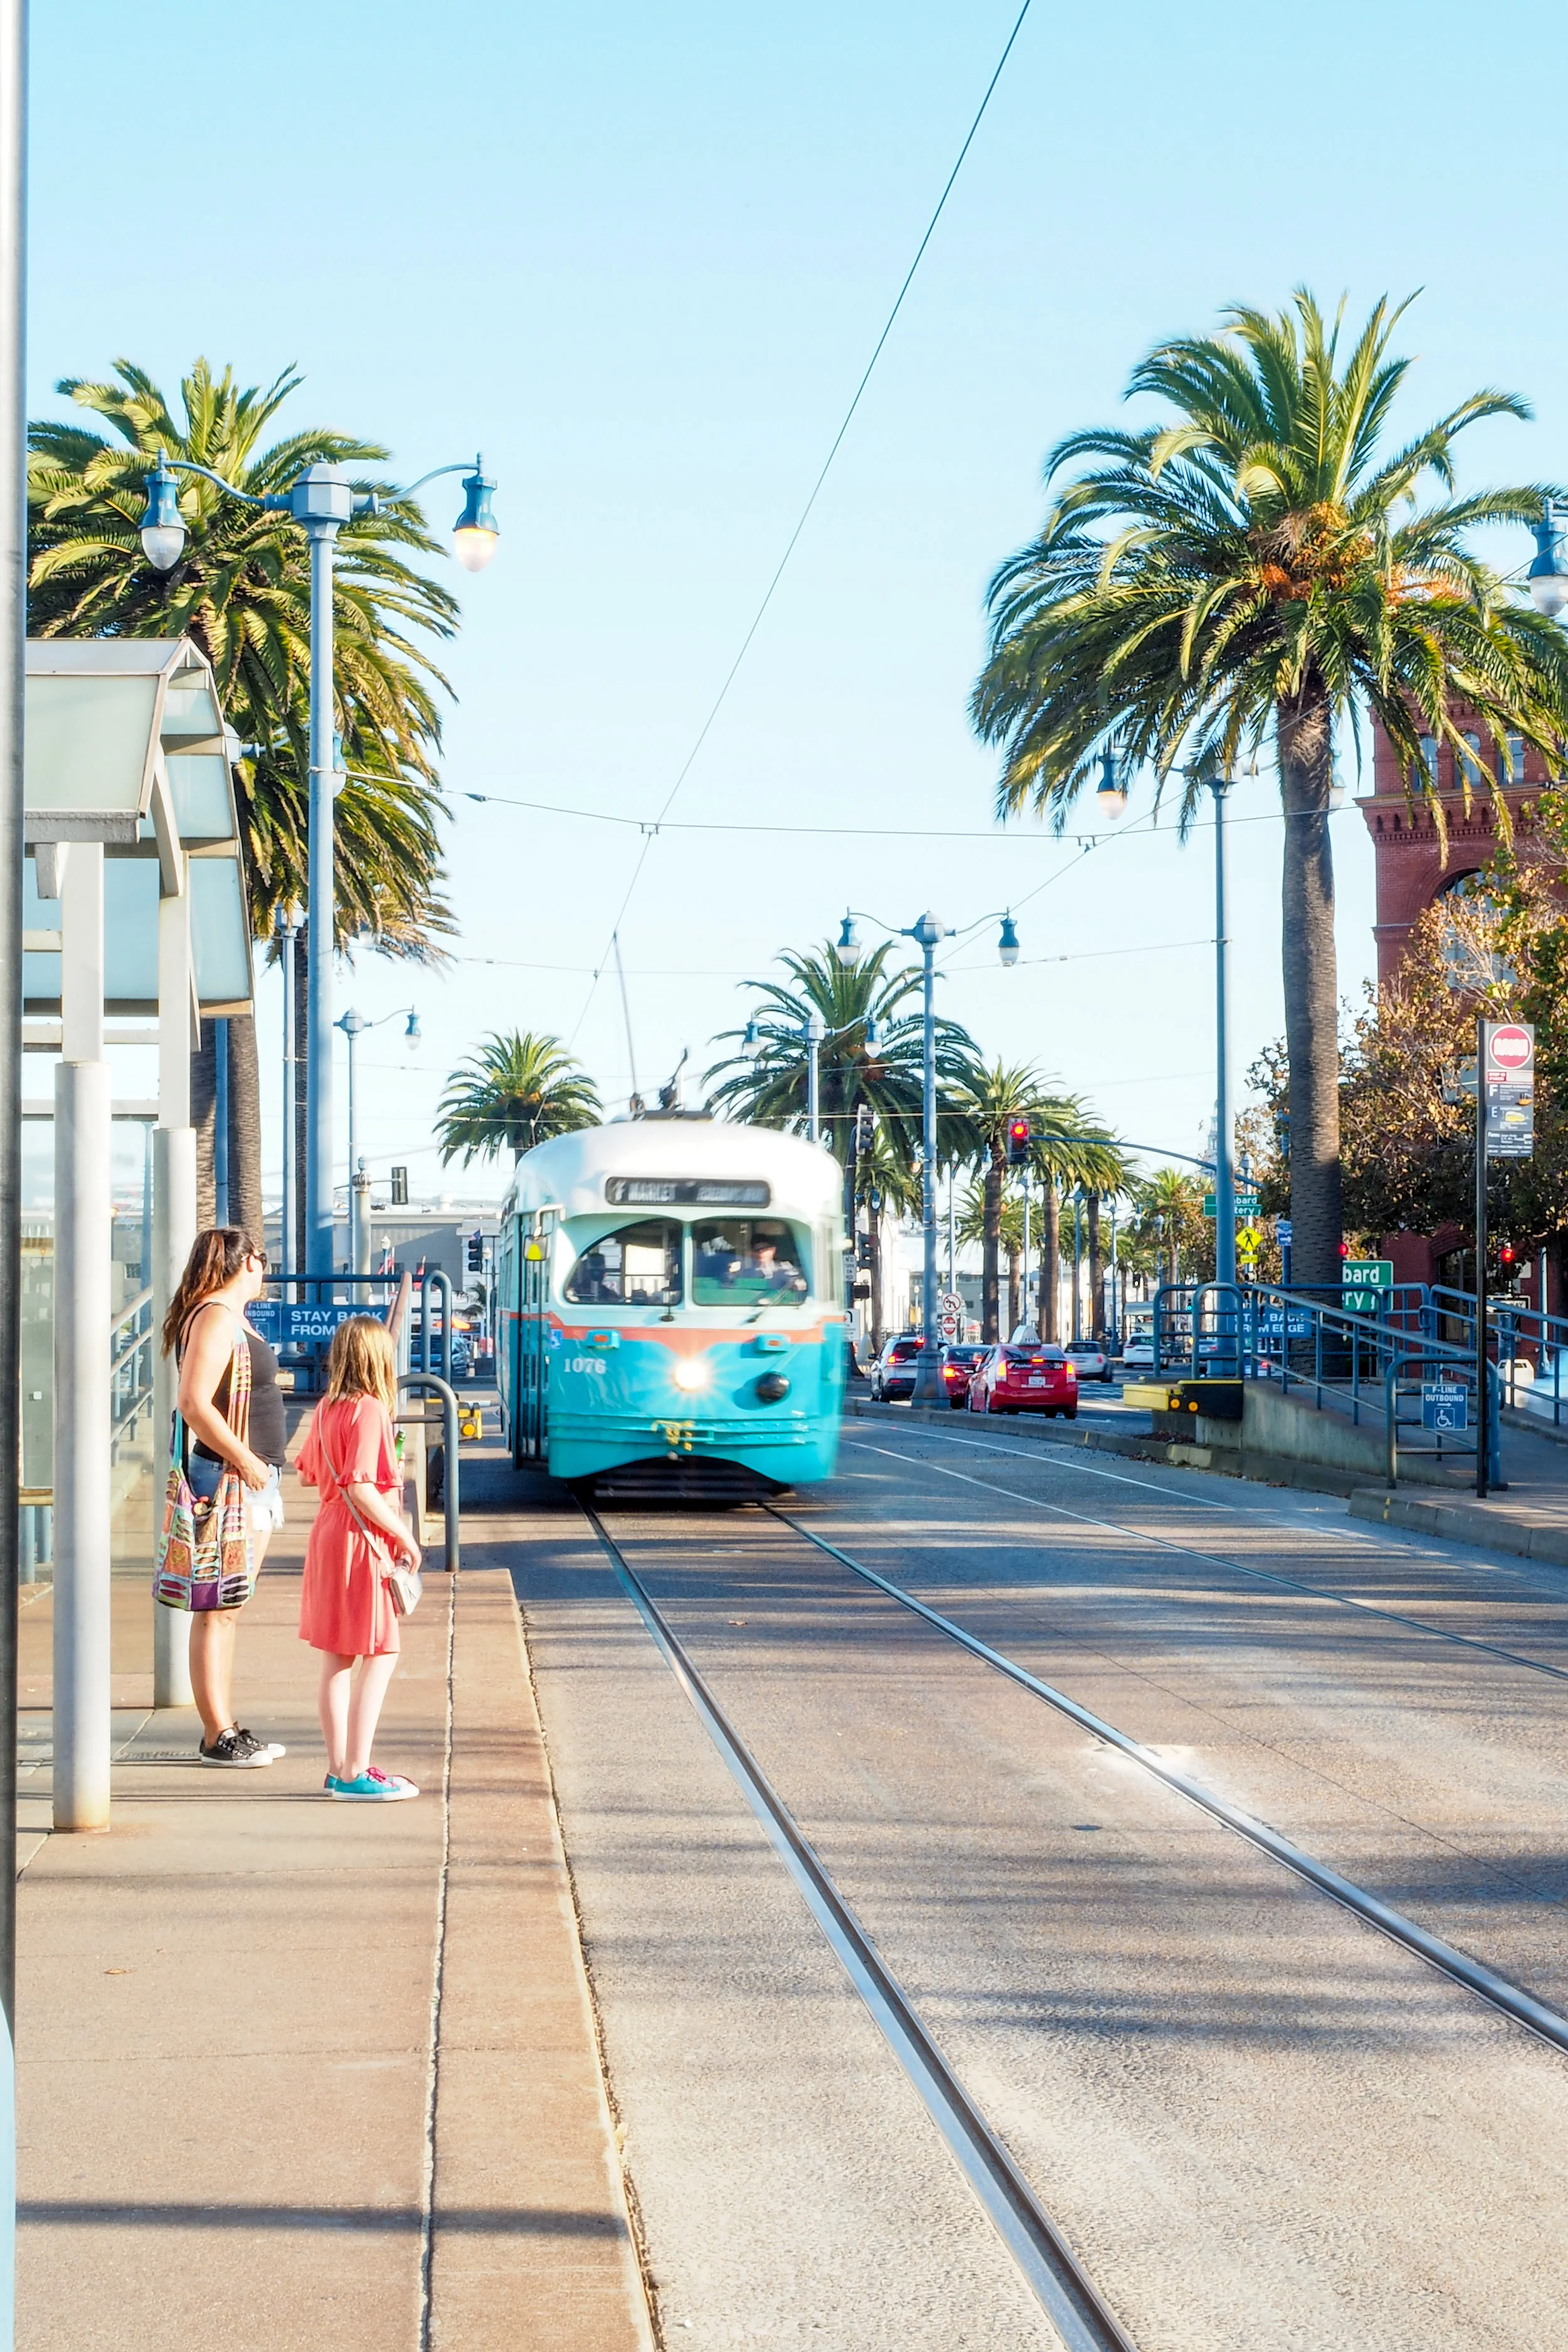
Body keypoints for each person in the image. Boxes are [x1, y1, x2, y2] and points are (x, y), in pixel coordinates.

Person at [162, 1226, 288, 1768]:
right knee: (217, 1607)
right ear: (245, 1265)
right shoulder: (214, 1315)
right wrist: (248, 1461)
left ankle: (226, 1725)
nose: (266, 1268)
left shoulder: (227, 1315)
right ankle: (218, 1734)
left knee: (229, 1605)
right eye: (262, 1258)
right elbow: (193, 1402)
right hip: (231, 1477)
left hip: (248, 1478)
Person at [296, 1316, 421, 1802]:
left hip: (328, 1532)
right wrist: (405, 1537)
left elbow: (311, 1475)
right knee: (381, 1653)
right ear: (378, 1358)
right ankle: (355, 1771)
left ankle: (337, 1767)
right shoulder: (370, 1410)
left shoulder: (327, 1405)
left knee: (337, 1657)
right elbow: (362, 1486)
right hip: (361, 1537)